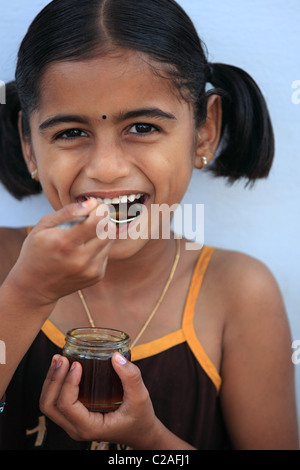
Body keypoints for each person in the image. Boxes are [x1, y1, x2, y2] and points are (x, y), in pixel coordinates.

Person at [0, 0, 298, 450]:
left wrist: (151, 440)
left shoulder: (239, 294)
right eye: (70, 133)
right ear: (28, 144)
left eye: (141, 127)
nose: (105, 168)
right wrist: (26, 295)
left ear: (205, 131)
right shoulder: (5, 267)